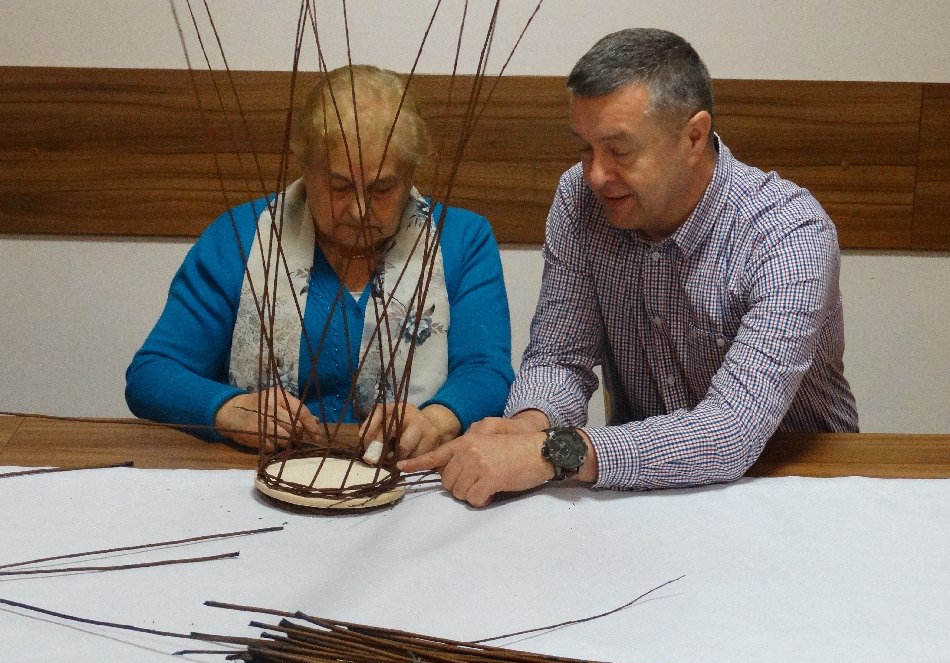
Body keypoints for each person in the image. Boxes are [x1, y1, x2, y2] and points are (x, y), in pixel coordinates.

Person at [401, 28, 858, 506]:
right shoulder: (579, 199)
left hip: (798, 486)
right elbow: (561, 358)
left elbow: (730, 430)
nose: (596, 175)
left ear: (694, 137)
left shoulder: (789, 234)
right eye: (585, 148)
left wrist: (555, 451)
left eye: (619, 151)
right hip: (645, 492)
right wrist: (527, 425)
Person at [126, 65, 513, 456]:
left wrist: (437, 420)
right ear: (304, 166)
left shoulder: (461, 241)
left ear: (411, 173)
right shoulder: (242, 238)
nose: (359, 210)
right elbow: (152, 374)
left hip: (408, 471)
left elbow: (486, 371)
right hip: (260, 470)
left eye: (382, 188)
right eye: (339, 186)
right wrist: (226, 409)